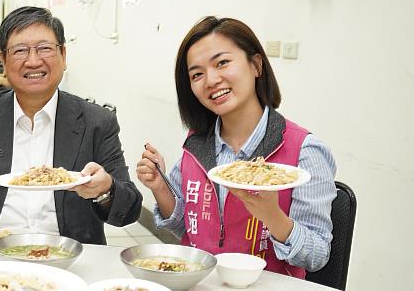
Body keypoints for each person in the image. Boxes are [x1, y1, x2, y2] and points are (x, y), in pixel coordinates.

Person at [0, 6, 142, 243]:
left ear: (63, 56)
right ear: (3, 61)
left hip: (68, 256)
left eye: (45, 48)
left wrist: (105, 190)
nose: (33, 61)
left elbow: (128, 211)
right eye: (20, 51)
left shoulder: (96, 122)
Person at [136, 16, 336, 277]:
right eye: (197, 74)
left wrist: (272, 215)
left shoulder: (304, 151)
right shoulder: (196, 144)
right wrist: (161, 187)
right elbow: (187, 228)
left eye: (222, 63)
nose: (211, 80)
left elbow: (318, 255)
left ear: (255, 65)